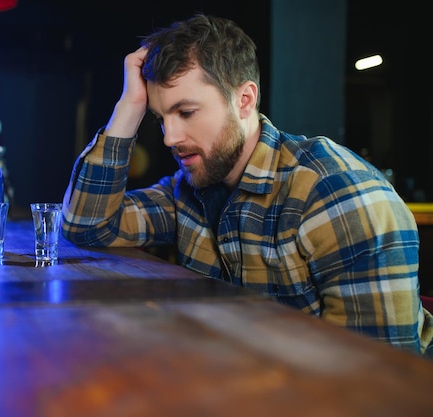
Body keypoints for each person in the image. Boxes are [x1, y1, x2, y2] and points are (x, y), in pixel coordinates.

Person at [61, 13, 433, 357]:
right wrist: (130, 105)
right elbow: (87, 225)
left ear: (244, 100)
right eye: (159, 117)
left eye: (186, 112)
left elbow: (379, 379)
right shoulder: (186, 189)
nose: (169, 137)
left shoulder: (335, 194)